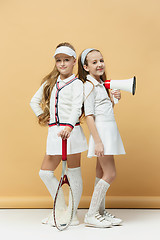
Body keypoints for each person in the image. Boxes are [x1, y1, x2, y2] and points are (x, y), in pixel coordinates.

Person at [30, 42, 88, 226]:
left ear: (73, 61)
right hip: (54, 132)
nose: (62, 64)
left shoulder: (78, 83)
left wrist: (69, 127)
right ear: (55, 62)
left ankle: (72, 215)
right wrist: (42, 115)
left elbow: (76, 106)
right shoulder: (50, 83)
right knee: (45, 172)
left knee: (73, 172)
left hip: (71, 132)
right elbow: (34, 101)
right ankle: (60, 209)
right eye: (59, 60)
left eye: (66, 60)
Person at [78, 48, 125, 228]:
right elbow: (89, 115)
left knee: (100, 173)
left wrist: (113, 99)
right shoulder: (89, 86)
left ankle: (99, 212)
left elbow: (104, 111)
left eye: (101, 60)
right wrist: (97, 141)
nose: (99, 65)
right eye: (94, 62)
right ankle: (91, 215)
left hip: (108, 129)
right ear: (86, 67)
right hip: (102, 133)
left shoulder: (101, 85)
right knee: (110, 174)